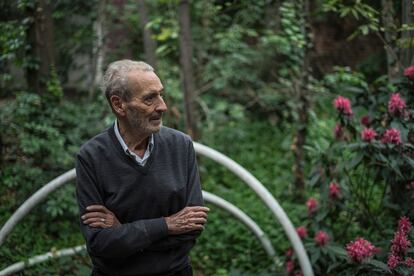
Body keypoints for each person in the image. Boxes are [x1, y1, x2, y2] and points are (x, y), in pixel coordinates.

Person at [75, 60, 209, 276]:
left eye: (160, 94)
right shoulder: (91, 157)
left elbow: (191, 228)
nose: (162, 106)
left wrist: (123, 232)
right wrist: (167, 225)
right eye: (149, 98)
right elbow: (99, 243)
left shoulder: (180, 145)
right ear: (119, 105)